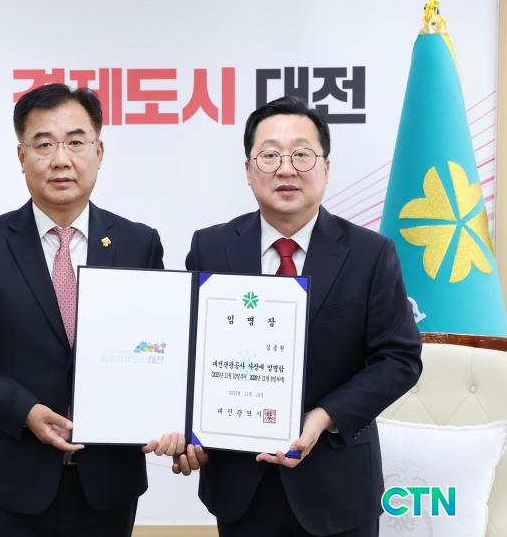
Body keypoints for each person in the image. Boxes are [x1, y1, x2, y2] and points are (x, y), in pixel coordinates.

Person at [0, 83, 172, 537]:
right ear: (22, 156)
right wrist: (24, 410)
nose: (61, 159)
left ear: (99, 151)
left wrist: (169, 418)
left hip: (107, 481)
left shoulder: (138, 243)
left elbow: (161, 349)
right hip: (9, 477)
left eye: (76, 142)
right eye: (44, 144)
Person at [174, 96, 422, 537]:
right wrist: (189, 429)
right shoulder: (211, 248)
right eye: (269, 155)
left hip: (338, 485)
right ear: (248, 169)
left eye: (301, 155)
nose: (285, 169)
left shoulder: (370, 254)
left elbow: (399, 359)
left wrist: (323, 416)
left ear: (325, 167)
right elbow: (187, 352)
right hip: (240, 486)